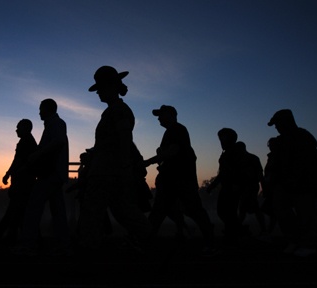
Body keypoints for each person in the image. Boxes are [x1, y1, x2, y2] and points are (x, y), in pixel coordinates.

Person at [77, 66, 151, 252]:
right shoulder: (113, 111)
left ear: (110, 87)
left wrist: (126, 167)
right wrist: (94, 154)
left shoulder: (119, 110)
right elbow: (113, 141)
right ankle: (146, 240)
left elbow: (125, 139)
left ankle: (88, 250)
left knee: (95, 211)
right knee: (121, 210)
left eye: (100, 88)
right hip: (108, 170)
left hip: (108, 172)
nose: (98, 93)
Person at [144, 105, 215, 254]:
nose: (158, 118)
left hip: (179, 179)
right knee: (161, 210)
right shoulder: (173, 131)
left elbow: (172, 151)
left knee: (191, 210)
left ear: (171, 115)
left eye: (161, 115)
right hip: (173, 179)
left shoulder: (177, 130)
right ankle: (145, 241)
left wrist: (149, 161)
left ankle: (210, 241)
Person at [14, 99, 72, 256]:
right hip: (55, 174)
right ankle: (64, 244)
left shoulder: (56, 124)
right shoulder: (54, 125)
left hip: (50, 174)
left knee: (33, 208)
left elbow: (58, 142)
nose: (39, 112)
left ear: (48, 109)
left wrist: (38, 154)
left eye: (41, 109)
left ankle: (28, 244)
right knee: (58, 211)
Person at [267, 109, 317, 257]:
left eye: (278, 124)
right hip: (284, 184)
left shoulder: (304, 138)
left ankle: (309, 244)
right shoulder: (281, 141)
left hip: (304, 184)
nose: (276, 127)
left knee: (306, 214)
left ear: (286, 122)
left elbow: (308, 162)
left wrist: (297, 178)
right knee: (281, 211)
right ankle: (295, 240)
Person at [0, 119, 37, 245]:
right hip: (25, 181)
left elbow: (17, 161)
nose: (16, 130)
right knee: (18, 211)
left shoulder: (25, 142)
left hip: (22, 182)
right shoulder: (29, 142)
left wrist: (8, 174)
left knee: (15, 210)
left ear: (25, 128)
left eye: (18, 128)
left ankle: (3, 235)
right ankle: (9, 235)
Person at [207, 128, 247, 244]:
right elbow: (222, 173)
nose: (220, 140)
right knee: (225, 211)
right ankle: (236, 231)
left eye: (223, 137)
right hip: (227, 186)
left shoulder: (235, 152)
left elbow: (239, 169)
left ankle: (234, 233)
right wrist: (213, 185)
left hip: (233, 186)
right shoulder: (227, 152)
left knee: (227, 211)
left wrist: (237, 183)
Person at [235, 141, 267, 237]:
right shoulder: (241, 159)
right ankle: (238, 228)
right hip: (244, 187)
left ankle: (263, 230)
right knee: (245, 208)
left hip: (250, 187)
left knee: (249, 208)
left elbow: (260, 175)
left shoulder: (252, 159)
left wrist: (263, 188)